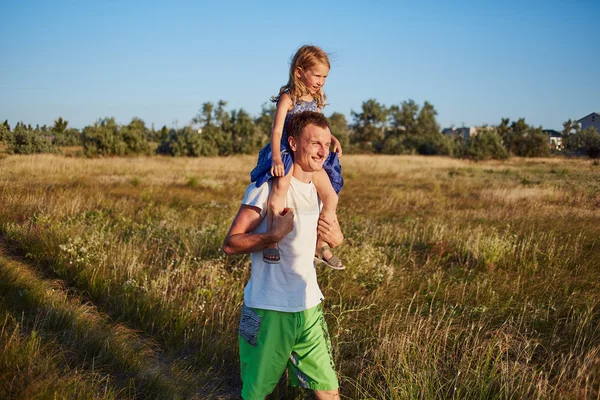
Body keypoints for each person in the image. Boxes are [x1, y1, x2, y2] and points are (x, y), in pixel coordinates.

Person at [223, 111, 343, 400]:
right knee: (255, 394)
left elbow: (330, 238)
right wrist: (271, 237)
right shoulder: (263, 189)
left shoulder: (316, 189)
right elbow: (230, 244)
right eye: (314, 143)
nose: (322, 151)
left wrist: (336, 238)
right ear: (292, 143)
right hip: (268, 308)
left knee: (328, 390)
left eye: (326, 144)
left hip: (308, 306)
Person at [250, 45, 344, 269]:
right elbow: (276, 130)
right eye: (317, 75)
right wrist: (276, 158)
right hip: (286, 149)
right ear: (300, 71)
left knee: (331, 196)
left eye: (325, 77)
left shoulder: (315, 98)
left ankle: (320, 244)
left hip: (307, 152)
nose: (321, 81)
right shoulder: (288, 97)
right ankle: (272, 239)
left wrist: (333, 138)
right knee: (280, 188)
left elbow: (317, 127)